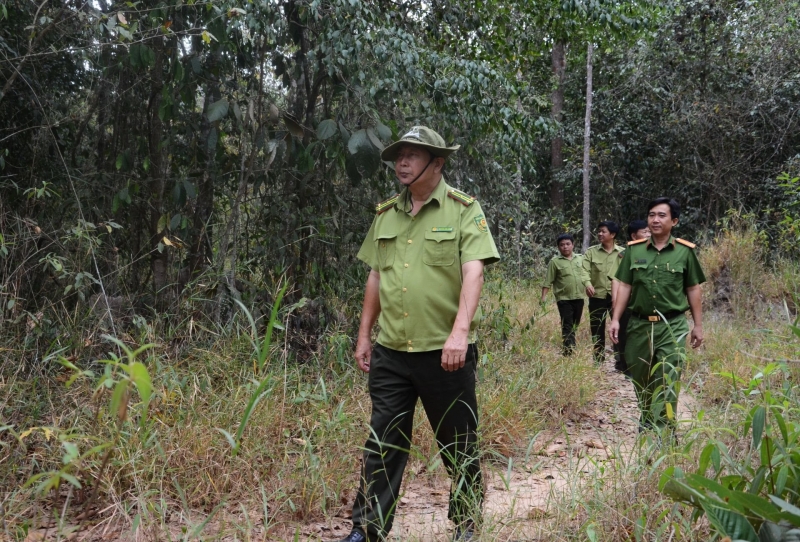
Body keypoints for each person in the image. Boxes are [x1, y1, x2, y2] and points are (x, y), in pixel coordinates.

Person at [333, 126, 500, 542]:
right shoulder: (386, 214)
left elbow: (474, 270)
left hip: (445, 353)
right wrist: (364, 334)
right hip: (391, 352)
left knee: (458, 442)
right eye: (398, 156)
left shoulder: (463, 209)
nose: (401, 163)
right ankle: (366, 529)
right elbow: (375, 276)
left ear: (437, 162)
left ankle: (465, 524)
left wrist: (459, 333)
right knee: (383, 441)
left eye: (411, 155)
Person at [609, 198, 705, 433]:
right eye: (652, 215)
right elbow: (625, 286)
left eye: (662, 215)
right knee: (640, 376)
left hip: (672, 325)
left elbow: (693, 289)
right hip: (639, 325)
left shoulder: (685, 252)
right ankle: (648, 417)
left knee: (667, 375)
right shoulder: (634, 251)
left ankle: (665, 427)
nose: (655, 219)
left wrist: (698, 325)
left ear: (674, 221)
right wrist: (615, 319)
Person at [610, 220, 650, 374]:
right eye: (645, 232)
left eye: (649, 232)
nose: (649, 234)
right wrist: (615, 301)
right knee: (625, 333)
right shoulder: (625, 254)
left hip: (644, 304)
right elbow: (617, 279)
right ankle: (625, 365)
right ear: (634, 236)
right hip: (627, 302)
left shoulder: (656, 252)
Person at [582, 221, 624, 364]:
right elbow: (584, 271)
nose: (600, 234)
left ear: (612, 234)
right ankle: (598, 359)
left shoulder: (622, 253)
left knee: (619, 328)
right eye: (599, 231)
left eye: (603, 231)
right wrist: (587, 283)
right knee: (596, 328)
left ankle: (620, 360)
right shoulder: (591, 252)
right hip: (596, 296)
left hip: (617, 298)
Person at [541, 233, 586, 355]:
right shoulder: (555, 262)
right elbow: (548, 281)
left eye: (568, 244)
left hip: (579, 297)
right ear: (558, 247)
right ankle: (568, 351)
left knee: (575, 323)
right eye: (562, 245)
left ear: (573, 245)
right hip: (564, 299)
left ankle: (571, 343)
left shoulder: (581, 258)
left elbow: (586, 275)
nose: (565, 247)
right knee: (567, 324)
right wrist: (543, 297)